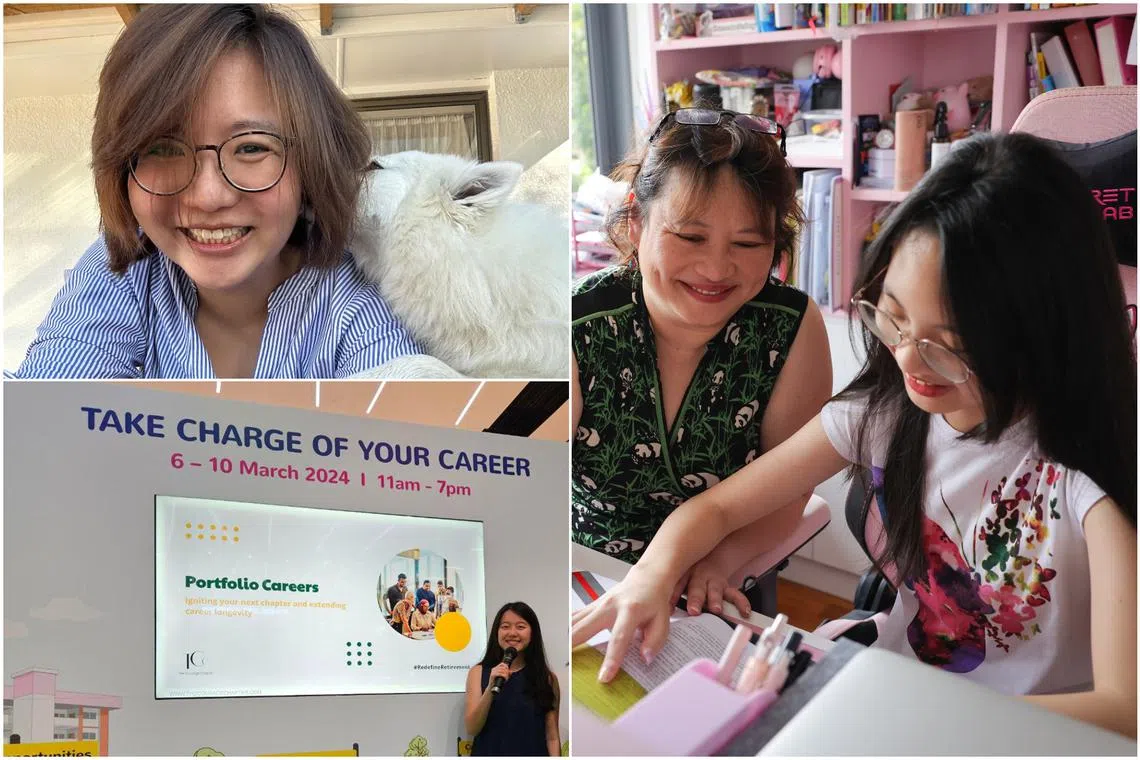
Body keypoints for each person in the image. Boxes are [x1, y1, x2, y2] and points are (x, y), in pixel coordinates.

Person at [572, 132, 1137, 738]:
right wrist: (652, 577)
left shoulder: (1090, 480)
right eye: (891, 316)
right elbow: (713, 508)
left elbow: (1123, 712)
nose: (909, 361)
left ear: (1046, 331)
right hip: (886, 695)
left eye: (951, 347)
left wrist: (901, 713)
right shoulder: (892, 410)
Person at [15, 4, 419, 379]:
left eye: (252, 147)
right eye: (163, 148)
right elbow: (42, 417)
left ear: (311, 165)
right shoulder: (122, 271)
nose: (208, 196)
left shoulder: (364, 295)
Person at [572, 107, 831, 617]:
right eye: (690, 237)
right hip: (590, 575)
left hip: (717, 579)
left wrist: (719, 561)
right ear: (637, 220)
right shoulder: (579, 326)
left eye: (748, 243)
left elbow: (789, 487)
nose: (716, 268)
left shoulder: (791, 327)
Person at [465, 602, 560, 756]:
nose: (512, 633)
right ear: (497, 632)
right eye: (505, 626)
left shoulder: (546, 678)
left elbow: (552, 737)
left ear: (532, 633)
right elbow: (472, 728)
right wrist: (490, 689)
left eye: (521, 627)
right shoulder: (478, 673)